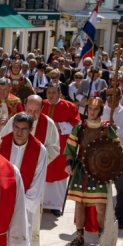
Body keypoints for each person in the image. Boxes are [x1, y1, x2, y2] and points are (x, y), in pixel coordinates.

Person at [0, 114, 47, 246]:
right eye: (16, 127)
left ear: (30, 130)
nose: (19, 132)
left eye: (24, 128)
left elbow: (37, 181)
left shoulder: (39, 150)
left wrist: (20, 205)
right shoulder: (0, 143)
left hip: (22, 207)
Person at [63, 98, 118, 246]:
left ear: (100, 110)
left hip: (99, 172)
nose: (92, 112)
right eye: (90, 109)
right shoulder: (80, 127)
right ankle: (79, 235)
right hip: (81, 170)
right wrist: (69, 163)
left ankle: (102, 235)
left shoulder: (107, 128)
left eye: (96, 109)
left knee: (100, 207)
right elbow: (71, 147)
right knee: (79, 205)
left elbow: (116, 149)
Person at [41, 84, 82, 216]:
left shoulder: (69, 107)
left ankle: (56, 205)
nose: (51, 95)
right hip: (43, 145)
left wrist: (59, 125)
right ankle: (42, 203)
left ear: (60, 93)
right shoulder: (41, 104)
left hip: (61, 146)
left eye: (54, 92)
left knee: (58, 173)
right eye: (49, 92)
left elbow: (76, 125)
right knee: (42, 172)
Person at [103, 86, 123, 230]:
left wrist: (118, 130)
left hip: (120, 156)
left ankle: (120, 216)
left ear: (119, 96)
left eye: (113, 95)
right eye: (107, 95)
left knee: (121, 189)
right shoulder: (100, 110)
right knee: (101, 189)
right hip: (102, 157)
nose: (109, 98)